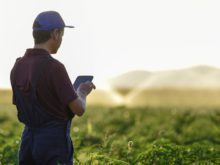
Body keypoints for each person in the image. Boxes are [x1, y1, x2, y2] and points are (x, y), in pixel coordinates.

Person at [10, 11, 95, 165]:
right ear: (55, 33)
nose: (61, 39)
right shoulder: (54, 67)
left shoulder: (18, 65)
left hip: (27, 142)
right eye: (61, 35)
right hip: (53, 145)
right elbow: (79, 110)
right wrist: (82, 91)